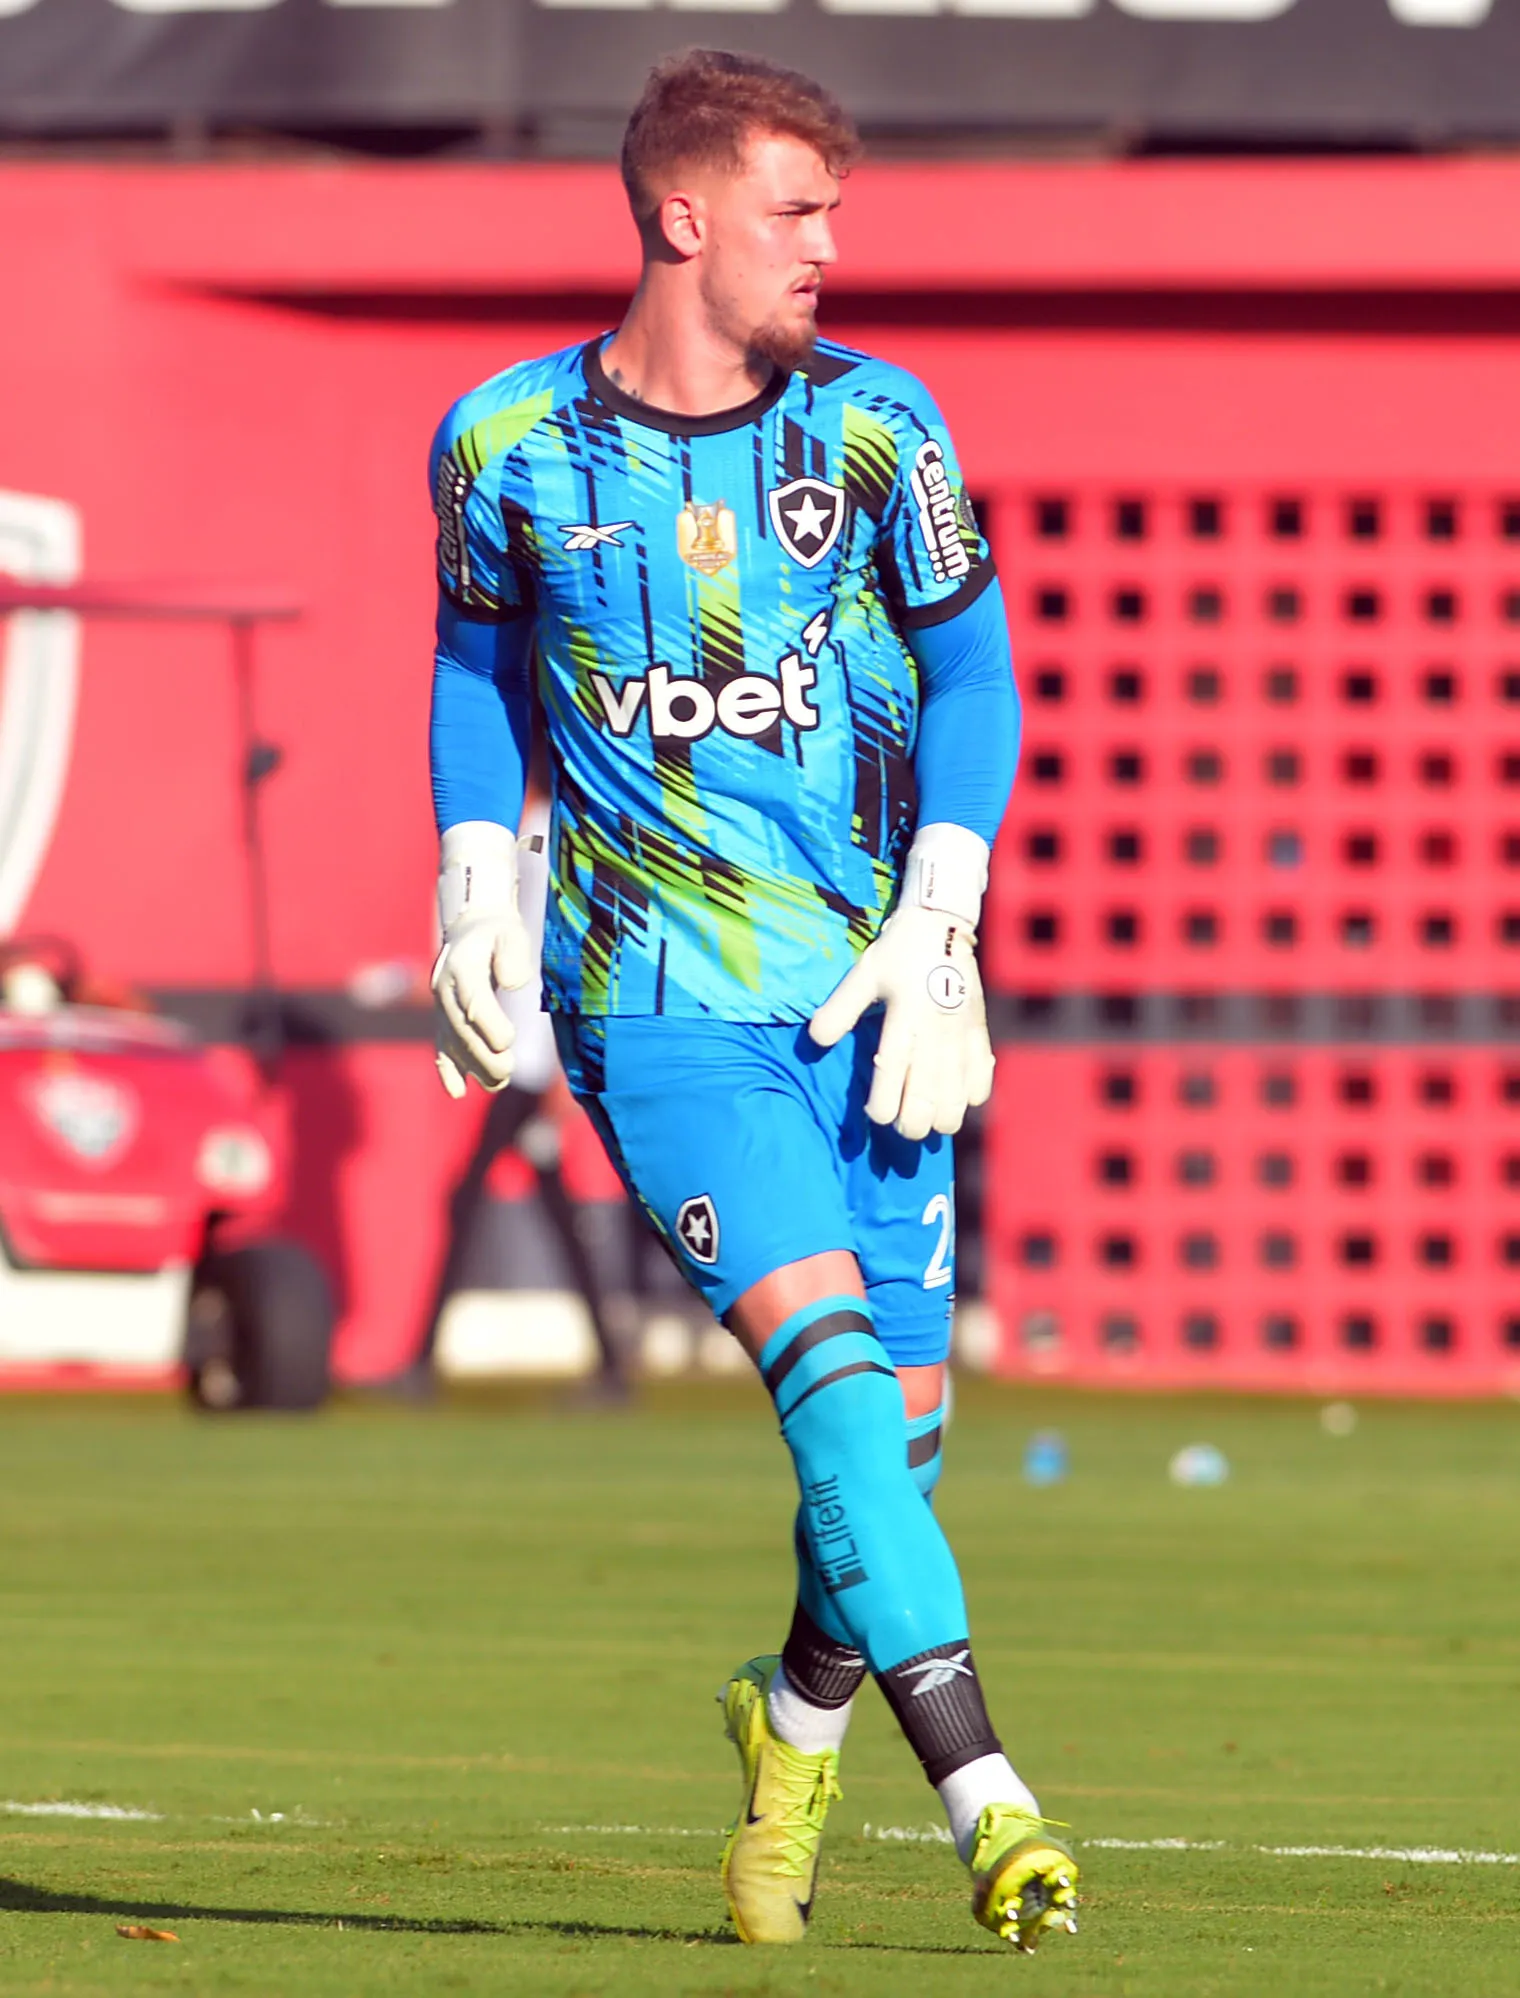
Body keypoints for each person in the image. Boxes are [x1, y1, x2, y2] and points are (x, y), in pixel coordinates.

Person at [421, 49, 1069, 1952]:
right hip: (659, 1005)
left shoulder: (879, 431)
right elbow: (474, 667)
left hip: (877, 1005)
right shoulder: (505, 443)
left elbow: (974, 684)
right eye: (800, 214)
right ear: (682, 217)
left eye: (837, 214)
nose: (831, 252)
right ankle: (992, 1797)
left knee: (895, 1455)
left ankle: (789, 1726)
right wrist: (477, 866)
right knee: (839, 1392)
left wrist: (942, 909)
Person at [396, 805, 636, 1404]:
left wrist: (561, 1062)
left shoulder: (555, 826)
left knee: (469, 1198)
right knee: (549, 1214)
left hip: (535, 1059)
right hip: (522, 1051)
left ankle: (422, 1362)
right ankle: (612, 1366)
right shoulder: (524, 823)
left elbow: (578, 947)